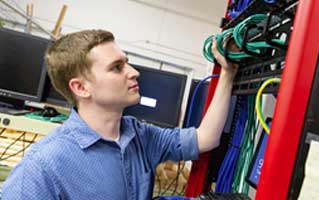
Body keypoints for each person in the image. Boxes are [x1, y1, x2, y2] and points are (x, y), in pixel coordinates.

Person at [2, 29, 237, 200]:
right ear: (81, 88)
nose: (134, 72)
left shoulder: (139, 135)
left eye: (127, 63)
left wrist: (227, 72)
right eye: (117, 67)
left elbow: (206, 138)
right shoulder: (44, 165)